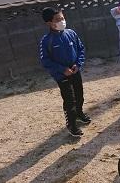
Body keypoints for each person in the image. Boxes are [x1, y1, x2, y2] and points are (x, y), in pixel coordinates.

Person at [39, 7, 91, 137]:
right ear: (49, 23)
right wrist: (62, 69)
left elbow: (81, 49)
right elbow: (45, 61)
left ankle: (79, 113)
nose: (62, 21)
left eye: (62, 18)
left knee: (79, 95)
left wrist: (78, 64)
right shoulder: (46, 41)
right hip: (61, 75)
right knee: (69, 100)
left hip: (75, 71)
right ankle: (72, 125)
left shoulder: (71, 33)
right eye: (58, 19)